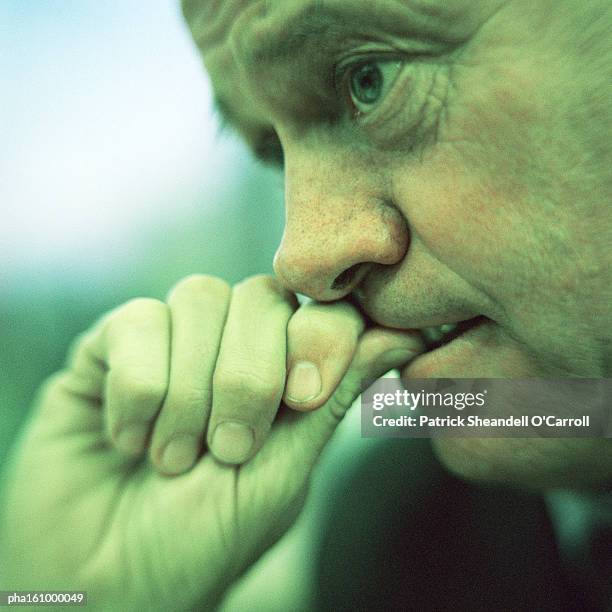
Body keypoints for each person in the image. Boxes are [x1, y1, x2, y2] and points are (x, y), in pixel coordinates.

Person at [1, 0, 611, 609]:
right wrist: (71, 597)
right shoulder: (399, 540)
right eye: (272, 150)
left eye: (370, 80)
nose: (299, 258)